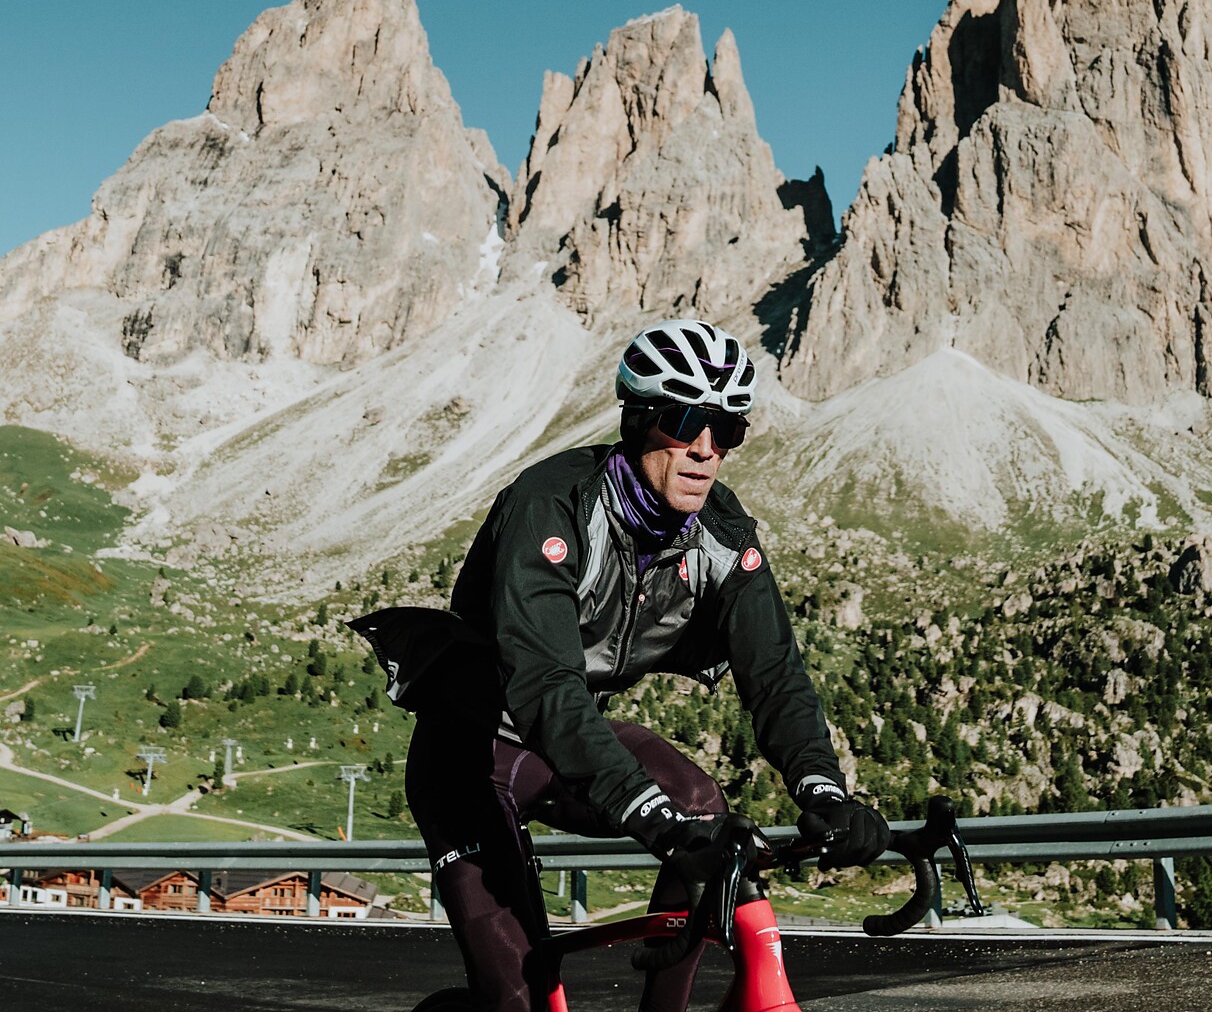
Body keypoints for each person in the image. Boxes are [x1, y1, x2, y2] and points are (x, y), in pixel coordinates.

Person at [352, 317, 890, 1012]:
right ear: (639, 422)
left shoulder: (723, 534)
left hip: (569, 749)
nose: (704, 449)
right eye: (684, 420)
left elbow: (776, 674)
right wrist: (657, 824)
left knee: (703, 811)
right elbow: (546, 686)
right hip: (470, 754)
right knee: (523, 996)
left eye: (726, 430)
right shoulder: (552, 505)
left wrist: (825, 794)